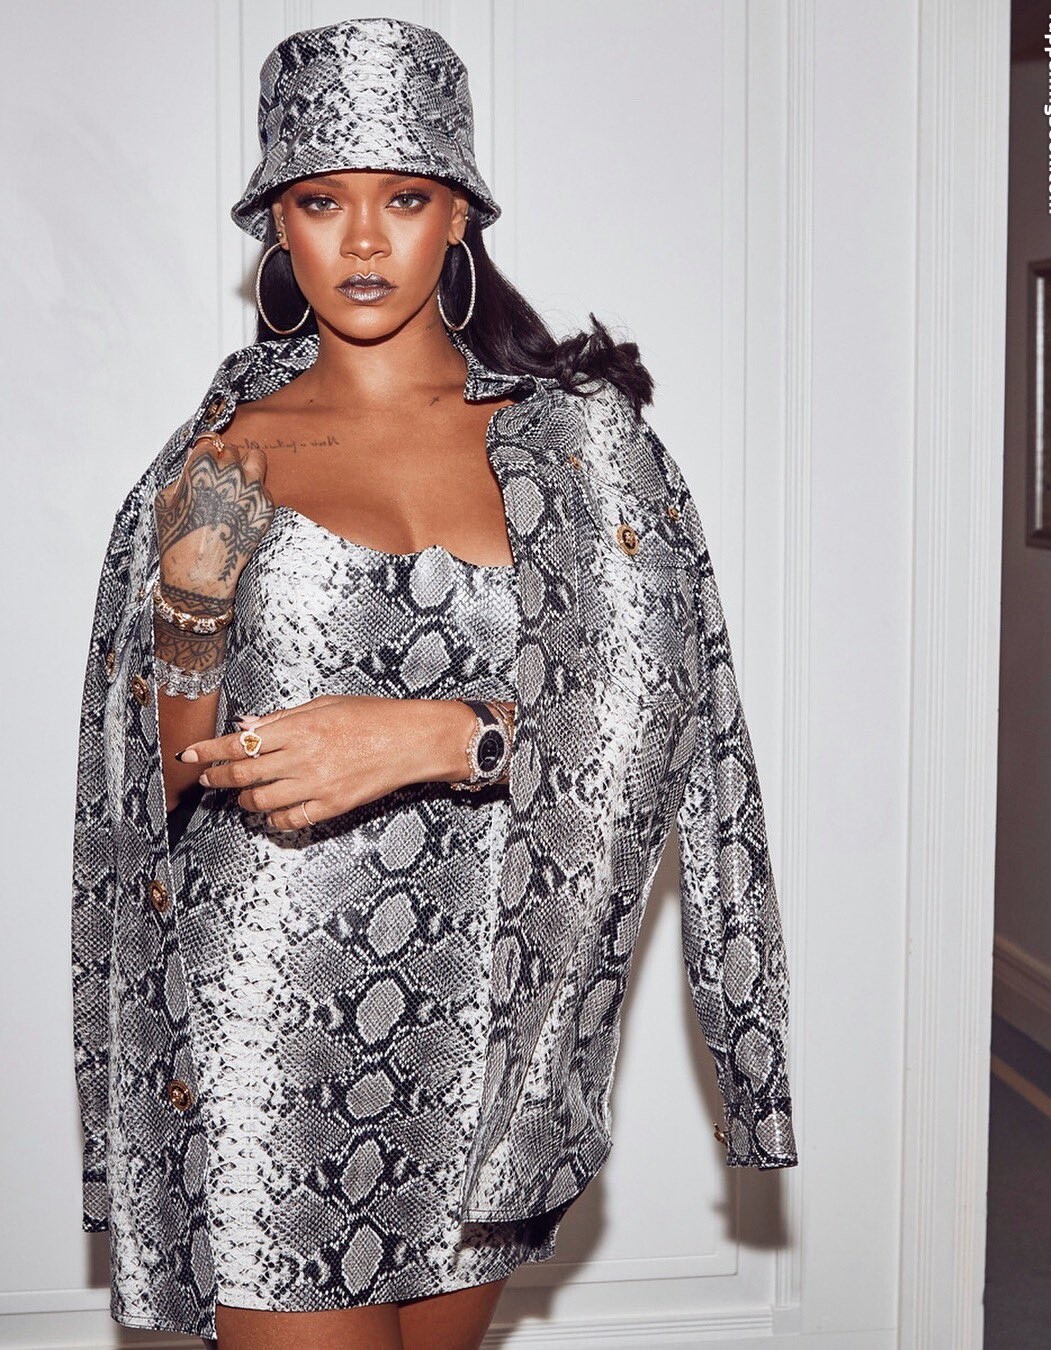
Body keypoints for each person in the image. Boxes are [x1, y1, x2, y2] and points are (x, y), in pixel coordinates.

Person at [70, 16, 798, 1350]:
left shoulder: (580, 446)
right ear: (275, 227)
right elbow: (163, 788)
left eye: (402, 199)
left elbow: (659, 723)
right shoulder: (220, 453)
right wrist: (191, 602)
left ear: (459, 216)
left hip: (489, 1017)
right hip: (269, 1003)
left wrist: (433, 736)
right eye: (320, 202)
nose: (362, 241)